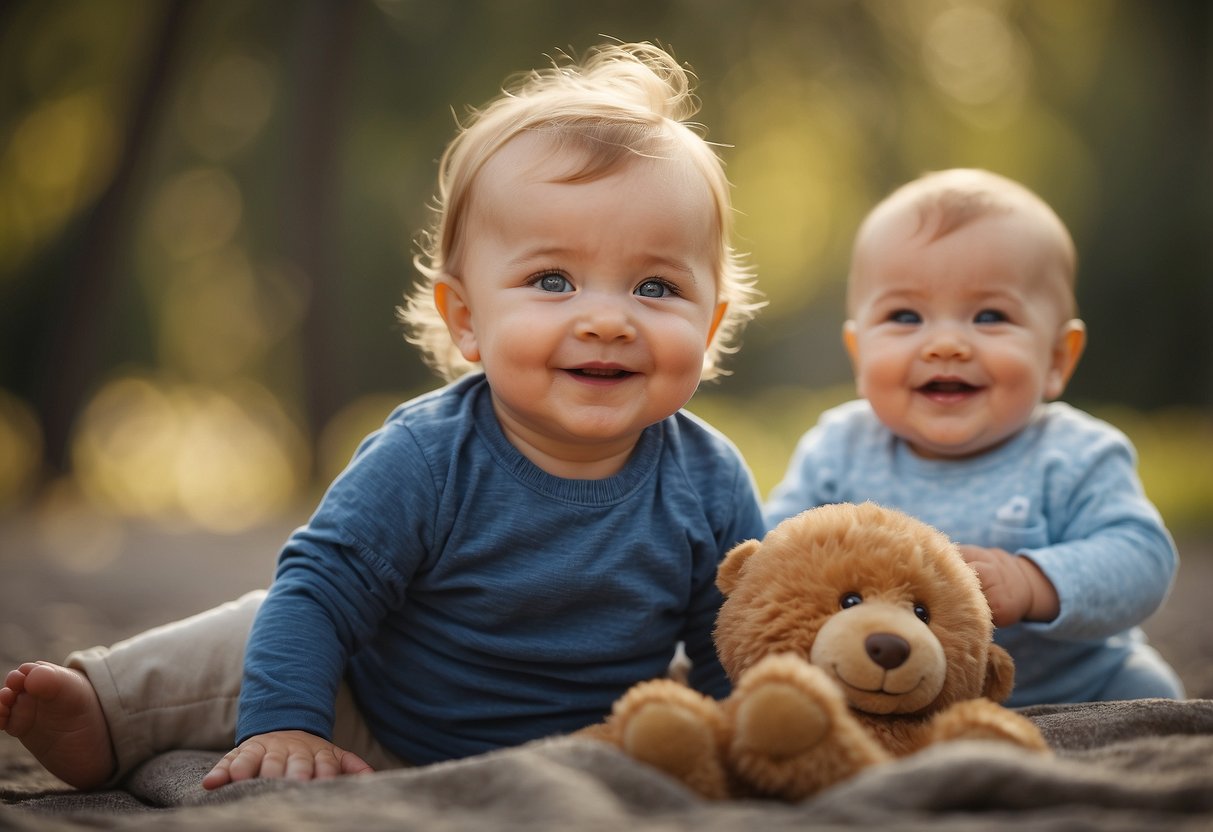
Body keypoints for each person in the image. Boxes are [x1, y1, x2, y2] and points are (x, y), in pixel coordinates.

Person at [0, 41, 766, 791]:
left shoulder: (707, 479)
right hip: (373, 726)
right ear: (465, 318)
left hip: (594, 748)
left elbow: (727, 643)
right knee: (265, 628)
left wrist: (748, 742)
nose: (607, 320)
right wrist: (288, 725)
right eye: (553, 279)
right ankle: (110, 707)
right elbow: (321, 592)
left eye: (656, 288)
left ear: (709, 323)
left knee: (697, 684)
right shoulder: (427, 456)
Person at [765, 168, 1184, 707]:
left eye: (989, 316)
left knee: (1153, 695)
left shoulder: (1076, 454)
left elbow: (1142, 557)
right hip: (886, 688)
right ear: (859, 353)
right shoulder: (839, 448)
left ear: (1057, 359)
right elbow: (779, 545)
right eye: (905, 316)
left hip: (1075, 687)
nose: (945, 344)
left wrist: (1034, 582)